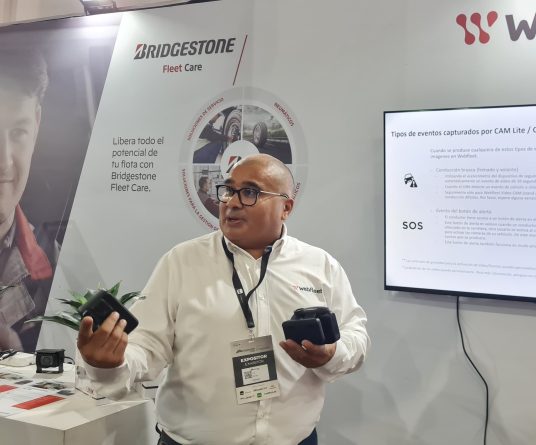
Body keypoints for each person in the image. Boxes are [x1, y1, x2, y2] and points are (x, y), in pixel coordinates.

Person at [78, 154, 370, 445]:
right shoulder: (182, 262)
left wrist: (332, 353)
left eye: (250, 192)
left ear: (286, 207)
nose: (232, 202)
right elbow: (146, 345)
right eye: (229, 190)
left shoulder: (320, 266)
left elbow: (356, 336)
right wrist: (110, 363)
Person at [0, 50, 56, 351]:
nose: (4, 162)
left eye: (18, 132)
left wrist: (17, 359)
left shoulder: (59, 263)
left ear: (36, 125)